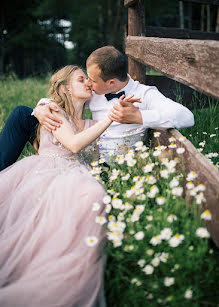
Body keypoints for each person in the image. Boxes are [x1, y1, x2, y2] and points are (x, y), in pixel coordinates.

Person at [0, 65, 124, 306]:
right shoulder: (52, 110)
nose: (88, 82)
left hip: (75, 176)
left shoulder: (91, 124)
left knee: (90, 198)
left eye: (89, 80)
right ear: (65, 87)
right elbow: (74, 144)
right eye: (81, 79)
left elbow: (95, 159)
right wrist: (110, 118)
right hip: (43, 171)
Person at [0, 46, 194, 170]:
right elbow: (66, 95)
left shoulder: (145, 95)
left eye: (92, 80)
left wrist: (139, 117)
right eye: (85, 79)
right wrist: (41, 107)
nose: (89, 84)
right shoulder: (95, 93)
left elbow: (187, 117)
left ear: (110, 83)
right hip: (78, 147)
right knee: (21, 114)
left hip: (108, 165)